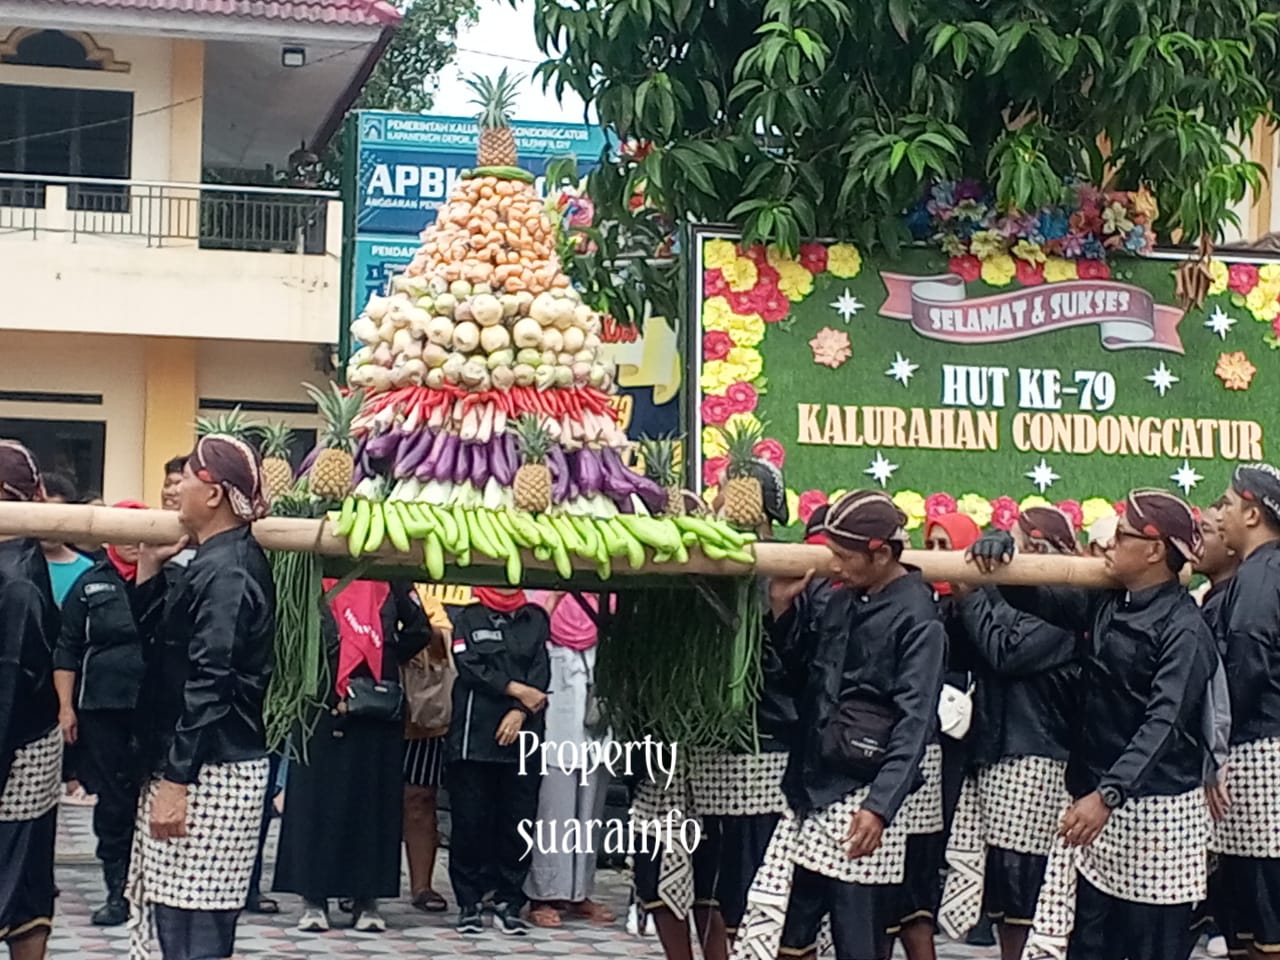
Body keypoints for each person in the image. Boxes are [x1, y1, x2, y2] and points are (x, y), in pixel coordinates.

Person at [967, 489, 1217, 960]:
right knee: (1089, 947)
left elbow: (1162, 724)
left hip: (1157, 815)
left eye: (1120, 536)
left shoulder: (1185, 628)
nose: (1109, 546)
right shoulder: (1105, 603)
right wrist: (999, 554)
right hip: (1100, 804)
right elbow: (1037, 599)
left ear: (1153, 549)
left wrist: (1107, 796)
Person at [732, 490, 946, 960]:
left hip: (863, 792)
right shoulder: (840, 599)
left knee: (858, 938)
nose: (835, 566)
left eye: (844, 557)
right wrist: (783, 613)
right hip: (811, 785)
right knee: (788, 933)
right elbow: (801, 678)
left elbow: (914, 724)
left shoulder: (919, 618)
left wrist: (880, 807)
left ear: (882, 553)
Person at [127, 434, 275, 960]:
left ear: (213, 494)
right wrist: (149, 572)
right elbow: (166, 654)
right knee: (170, 919)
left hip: (210, 770)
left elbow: (212, 678)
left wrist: (176, 780)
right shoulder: (211, 561)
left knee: (195, 930)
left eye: (187, 476)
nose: (176, 489)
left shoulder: (229, 570)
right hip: (193, 765)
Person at [938, 507, 1081, 960]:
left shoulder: (1068, 603)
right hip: (1000, 752)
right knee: (1003, 891)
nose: (1006, 555)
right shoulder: (1009, 596)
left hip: (1037, 754)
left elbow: (1005, 650)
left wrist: (976, 593)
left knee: (1028, 890)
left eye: (1014, 546)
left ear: (1038, 550)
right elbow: (964, 650)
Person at [275, 579, 437, 933]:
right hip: (320, 701)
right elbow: (287, 626)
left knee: (371, 802)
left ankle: (366, 899)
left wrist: (386, 657)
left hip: (375, 706)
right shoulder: (309, 573)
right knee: (316, 801)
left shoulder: (390, 579)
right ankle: (313, 898)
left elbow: (419, 629)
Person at [51, 500, 150, 927]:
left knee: (154, 798)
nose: (131, 541)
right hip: (101, 711)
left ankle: (155, 890)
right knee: (113, 801)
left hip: (155, 711)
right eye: (122, 531)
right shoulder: (90, 584)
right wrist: (65, 708)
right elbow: (67, 649)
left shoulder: (175, 580)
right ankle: (117, 891)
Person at [446, 586, 550, 937]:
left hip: (523, 737)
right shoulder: (468, 618)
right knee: (470, 822)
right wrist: (513, 690)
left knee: (517, 822)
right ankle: (469, 902)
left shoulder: (535, 619)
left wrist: (520, 711)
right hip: (475, 740)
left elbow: (540, 675)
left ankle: (509, 901)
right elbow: (469, 666)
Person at [1212, 464, 1280, 960]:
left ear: (1252, 512)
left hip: (1260, 753)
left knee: (1263, 919)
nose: (1222, 515)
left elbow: (1248, 662)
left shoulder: (1262, 574)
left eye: (1227, 505)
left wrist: (1215, 744)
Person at [0, 440, 64, 960]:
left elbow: (9, 685)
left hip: (14, 753)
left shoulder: (17, 578)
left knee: (17, 888)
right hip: (19, 742)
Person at [525, 590, 618, 928]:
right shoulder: (540, 593)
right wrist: (553, 601)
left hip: (594, 713)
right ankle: (544, 893)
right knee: (553, 806)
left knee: (590, 805)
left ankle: (580, 891)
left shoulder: (608, 598)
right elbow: (531, 637)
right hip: (555, 717)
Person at [1192, 502, 1239, 960]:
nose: (1198, 540)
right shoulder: (1208, 598)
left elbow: (1233, 688)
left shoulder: (1241, 596)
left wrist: (1216, 757)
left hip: (1229, 762)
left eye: (1205, 531)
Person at [401, 589, 454, 914]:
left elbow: (442, 635)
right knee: (366, 798)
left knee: (420, 797)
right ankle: (360, 886)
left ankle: (422, 885)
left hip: (421, 711)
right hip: (368, 704)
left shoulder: (421, 591)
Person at [39, 472, 94, 608]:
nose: (51, 525)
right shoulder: (12, 565)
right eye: (43, 517)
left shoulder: (88, 570)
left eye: (59, 518)